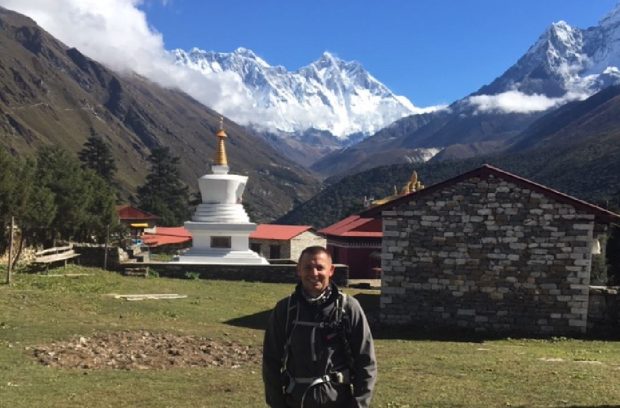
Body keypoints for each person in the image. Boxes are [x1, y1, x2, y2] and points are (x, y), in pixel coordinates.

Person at [262, 246, 377, 407]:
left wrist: (358, 404)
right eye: (308, 267)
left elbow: (366, 361)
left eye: (320, 267)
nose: (314, 273)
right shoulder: (285, 310)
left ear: (331, 270)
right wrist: (277, 403)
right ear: (298, 270)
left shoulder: (349, 308)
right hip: (296, 401)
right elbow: (271, 361)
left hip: (338, 401)